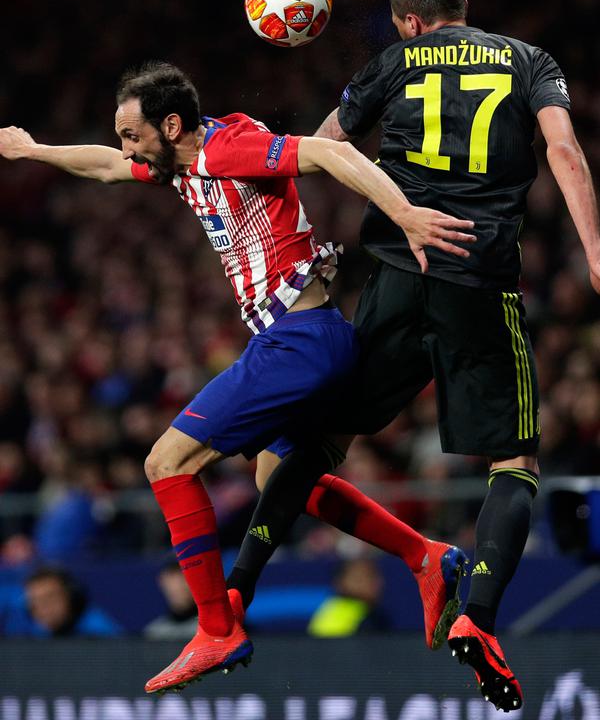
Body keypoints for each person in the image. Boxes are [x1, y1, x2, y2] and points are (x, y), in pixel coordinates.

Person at [0, 61, 475, 694]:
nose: (126, 148)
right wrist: (33, 150)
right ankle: (426, 557)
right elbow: (106, 167)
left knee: (166, 463)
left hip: (298, 345)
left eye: (133, 134)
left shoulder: (228, 147)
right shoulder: (181, 160)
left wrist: (407, 215)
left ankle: (216, 629)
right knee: (277, 478)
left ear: (172, 125)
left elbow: (334, 157)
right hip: (302, 342)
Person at [224, 0, 600, 713]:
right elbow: (562, 150)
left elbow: (322, 150)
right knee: (514, 460)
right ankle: (480, 616)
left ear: (409, 19)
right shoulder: (529, 59)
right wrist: (597, 252)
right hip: (479, 282)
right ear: (460, 3)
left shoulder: (391, 62)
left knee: (322, 441)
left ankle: (232, 596)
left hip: (394, 277)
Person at [2, 565, 122, 637]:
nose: (43, 607)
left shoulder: (98, 631)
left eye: (50, 597)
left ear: (70, 598)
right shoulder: (34, 633)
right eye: (35, 601)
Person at [307, 557, 391, 637]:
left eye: (375, 576)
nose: (376, 582)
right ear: (341, 582)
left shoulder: (374, 614)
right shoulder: (362, 618)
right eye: (362, 577)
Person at [144, 559, 198, 640]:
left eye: (184, 575)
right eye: (172, 576)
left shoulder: (212, 630)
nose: (178, 584)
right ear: (161, 581)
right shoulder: (153, 633)